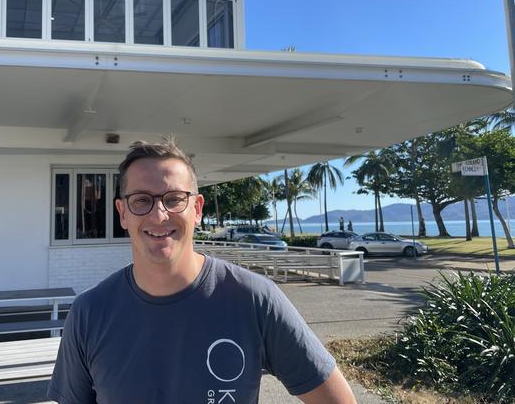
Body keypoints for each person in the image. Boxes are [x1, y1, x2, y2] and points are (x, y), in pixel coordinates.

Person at [48, 139, 357, 404]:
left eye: (173, 199)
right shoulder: (89, 312)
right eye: (142, 200)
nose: (159, 214)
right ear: (122, 213)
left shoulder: (254, 299)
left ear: (196, 209)